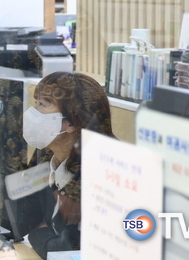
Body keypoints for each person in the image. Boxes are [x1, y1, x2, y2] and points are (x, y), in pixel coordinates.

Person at [13, 71, 114, 259]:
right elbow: (23, 217)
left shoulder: (101, 172)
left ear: (72, 123)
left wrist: (38, 234)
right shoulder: (47, 151)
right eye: (36, 103)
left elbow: (69, 251)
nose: (32, 112)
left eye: (43, 105)